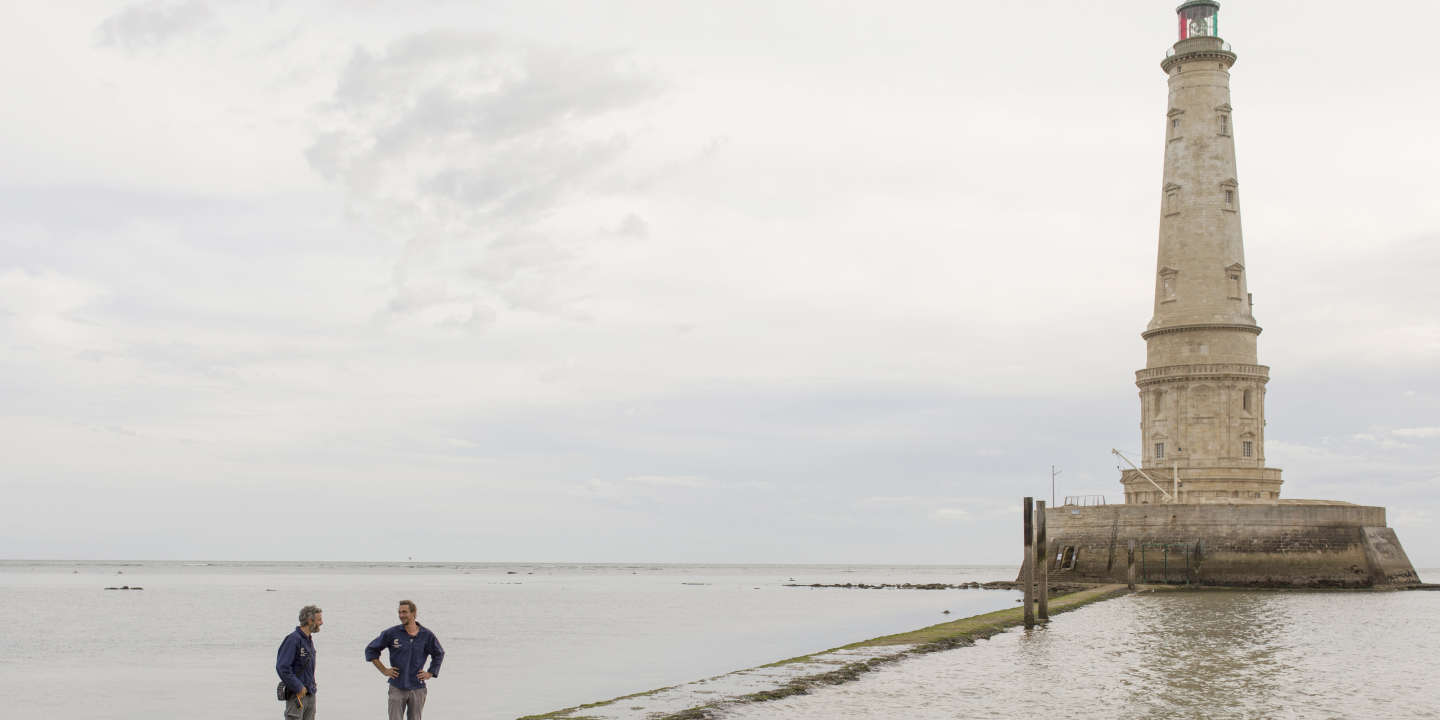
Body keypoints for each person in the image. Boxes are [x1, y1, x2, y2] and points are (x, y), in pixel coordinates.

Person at [364, 599, 445, 720]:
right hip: (397, 686)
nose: (401, 615)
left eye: (404, 612)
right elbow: (370, 650)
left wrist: (430, 673)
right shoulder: (391, 633)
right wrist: (384, 670)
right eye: (399, 612)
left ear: (414, 613)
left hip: (418, 688)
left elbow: (439, 653)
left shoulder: (426, 635)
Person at [276, 604, 323, 720]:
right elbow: (282, 667)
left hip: (310, 694)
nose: (321, 623)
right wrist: (298, 687)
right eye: (319, 620)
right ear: (309, 620)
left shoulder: (308, 640)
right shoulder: (293, 639)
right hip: (296, 696)